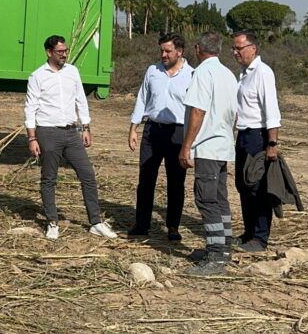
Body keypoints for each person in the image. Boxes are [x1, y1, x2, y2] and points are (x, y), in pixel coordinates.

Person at [25, 35, 117, 241]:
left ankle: (95, 222)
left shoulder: (72, 72)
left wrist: (85, 126)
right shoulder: (38, 76)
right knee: (49, 178)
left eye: (65, 51)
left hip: (71, 132)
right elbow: (30, 108)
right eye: (60, 52)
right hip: (48, 132)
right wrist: (32, 138)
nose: (64, 54)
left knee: (87, 175)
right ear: (49, 52)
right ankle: (52, 222)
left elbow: (80, 100)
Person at [179, 32, 238, 276]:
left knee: (206, 199)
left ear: (197, 48)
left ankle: (216, 255)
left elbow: (198, 111)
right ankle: (224, 246)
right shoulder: (228, 74)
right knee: (220, 198)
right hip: (223, 144)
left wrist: (187, 145)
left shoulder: (203, 73)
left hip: (207, 146)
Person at [127, 33, 193, 241]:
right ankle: (142, 224)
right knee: (146, 179)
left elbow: (196, 110)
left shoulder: (192, 75)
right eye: (161, 50)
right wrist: (133, 128)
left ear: (180, 52)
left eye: (168, 51)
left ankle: (173, 226)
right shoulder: (152, 71)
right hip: (152, 131)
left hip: (178, 133)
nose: (163, 55)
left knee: (176, 182)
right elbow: (142, 99)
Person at [232, 29, 282, 253]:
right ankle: (249, 232)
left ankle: (261, 238)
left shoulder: (263, 73)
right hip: (243, 135)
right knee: (243, 185)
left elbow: (271, 110)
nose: (235, 52)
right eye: (234, 48)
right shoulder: (243, 74)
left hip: (257, 137)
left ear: (253, 48)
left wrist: (272, 143)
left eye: (239, 48)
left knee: (257, 188)